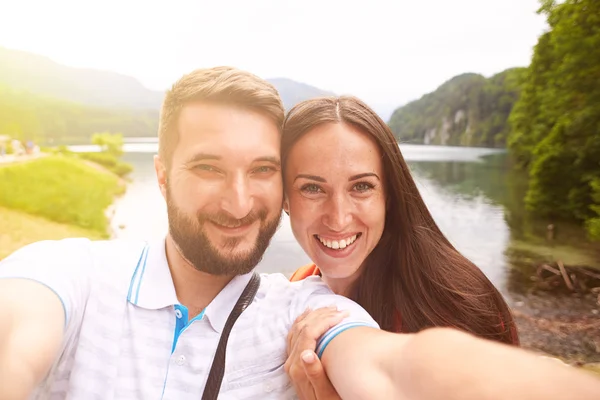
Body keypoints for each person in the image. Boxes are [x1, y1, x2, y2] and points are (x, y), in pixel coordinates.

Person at [1, 67, 599, 400]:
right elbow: (17, 329)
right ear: (161, 175)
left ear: (392, 191)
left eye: (260, 169)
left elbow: (410, 366)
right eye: (311, 187)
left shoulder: (313, 312)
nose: (239, 200)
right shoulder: (73, 274)